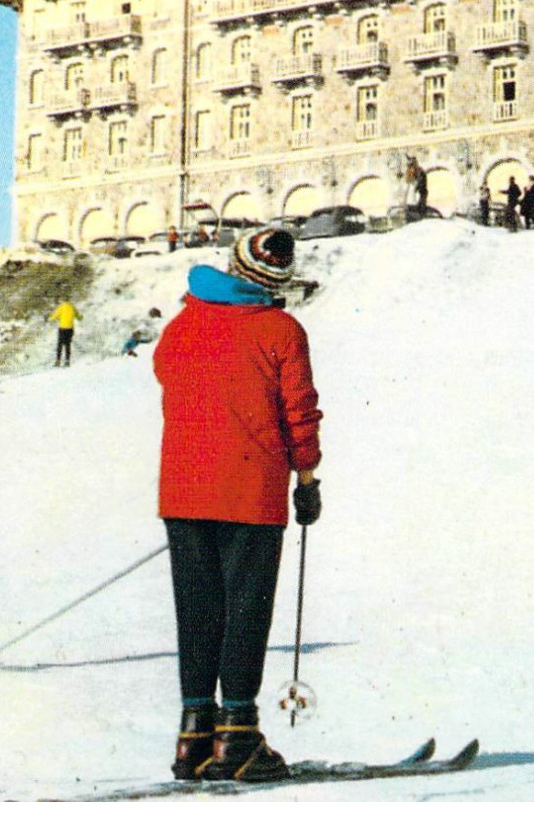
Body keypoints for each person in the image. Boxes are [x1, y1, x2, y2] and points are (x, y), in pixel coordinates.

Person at [154, 227, 323, 783]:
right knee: (245, 611)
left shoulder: (180, 327)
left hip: (183, 489)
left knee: (197, 611)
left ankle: (193, 734)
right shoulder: (281, 329)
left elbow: (168, 380)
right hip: (252, 490)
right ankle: (238, 738)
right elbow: (299, 412)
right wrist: (307, 479)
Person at [49, 298, 79, 367]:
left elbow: (54, 316)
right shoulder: (72, 307)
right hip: (70, 329)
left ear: (63, 301)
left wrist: (49, 319)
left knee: (60, 344)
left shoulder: (61, 307)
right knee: (68, 345)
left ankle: (58, 361)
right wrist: (81, 317)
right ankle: (67, 361)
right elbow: (78, 316)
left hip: (62, 329)